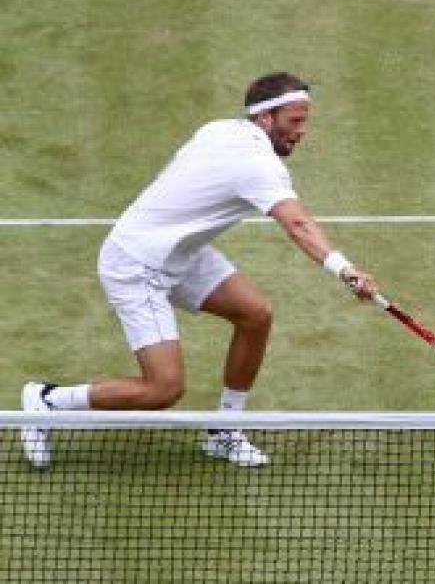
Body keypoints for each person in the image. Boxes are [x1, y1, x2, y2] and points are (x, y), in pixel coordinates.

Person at [21, 72, 379, 469]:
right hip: (137, 263)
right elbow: (297, 225)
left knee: (255, 315)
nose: (302, 131)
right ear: (264, 119)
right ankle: (47, 401)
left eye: (305, 120)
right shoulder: (258, 165)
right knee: (163, 389)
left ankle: (224, 430)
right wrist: (346, 271)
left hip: (180, 251)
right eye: (294, 121)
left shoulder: (220, 129)